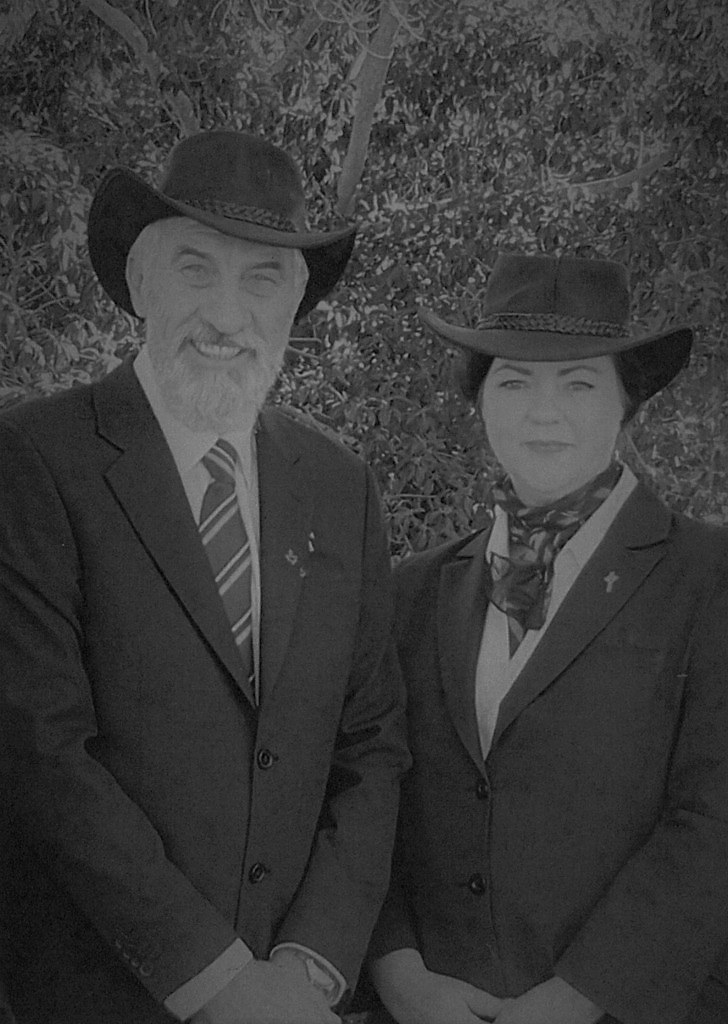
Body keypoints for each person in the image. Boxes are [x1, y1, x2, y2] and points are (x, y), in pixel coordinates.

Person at [0, 130, 409, 1024]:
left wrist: (309, 967)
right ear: (140, 282)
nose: (227, 315)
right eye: (196, 270)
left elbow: (373, 745)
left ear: (293, 305)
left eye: (261, 280)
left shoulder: (341, 486)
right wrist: (223, 984)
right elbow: (39, 750)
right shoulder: (33, 459)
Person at [368, 253, 728, 1024]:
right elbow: (369, 791)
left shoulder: (708, 577)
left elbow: (714, 819)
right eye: (514, 382)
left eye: (578, 384)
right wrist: (399, 973)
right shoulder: (412, 592)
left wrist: (580, 998)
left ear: (628, 400)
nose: (543, 412)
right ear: (478, 398)